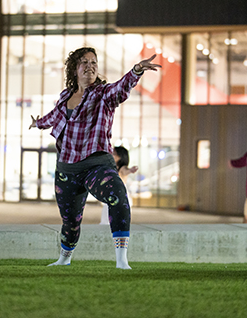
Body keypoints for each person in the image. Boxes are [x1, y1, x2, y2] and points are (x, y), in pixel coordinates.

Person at [29, 47, 160, 269]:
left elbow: (121, 88)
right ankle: (64, 258)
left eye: (93, 62)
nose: (90, 66)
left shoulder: (103, 94)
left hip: (96, 165)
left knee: (118, 194)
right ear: (74, 69)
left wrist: (136, 71)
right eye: (84, 62)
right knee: (70, 222)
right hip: (67, 170)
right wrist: (38, 123)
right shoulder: (65, 97)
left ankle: (121, 261)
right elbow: (53, 117)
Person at [100, 146, 138, 225]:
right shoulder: (110, 167)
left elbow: (125, 171)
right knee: (107, 219)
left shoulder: (122, 168)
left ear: (120, 157)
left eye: (113, 154)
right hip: (112, 196)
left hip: (120, 197)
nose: (111, 155)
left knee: (115, 222)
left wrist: (131, 170)